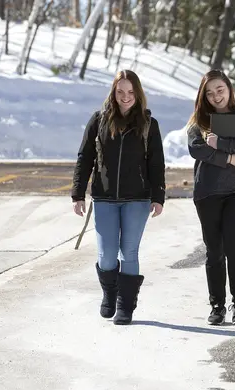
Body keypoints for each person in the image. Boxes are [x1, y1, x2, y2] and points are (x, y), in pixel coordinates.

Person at [71, 70, 166, 326]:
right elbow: (85, 157)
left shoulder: (148, 124)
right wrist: (77, 194)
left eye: (131, 92)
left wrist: (159, 196)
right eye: (120, 91)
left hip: (138, 198)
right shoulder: (99, 120)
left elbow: (156, 163)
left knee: (129, 252)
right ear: (113, 92)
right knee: (107, 255)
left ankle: (126, 306)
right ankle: (109, 293)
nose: (125, 97)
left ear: (138, 94)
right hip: (104, 197)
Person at [186, 69, 235, 325]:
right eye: (209, 93)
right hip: (207, 192)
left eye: (219, 89)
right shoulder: (200, 120)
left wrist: (221, 145)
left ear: (229, 88)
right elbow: (197, 149)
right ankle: (217, 306)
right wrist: (231, 158)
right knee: (214, 251)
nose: (216, 96)